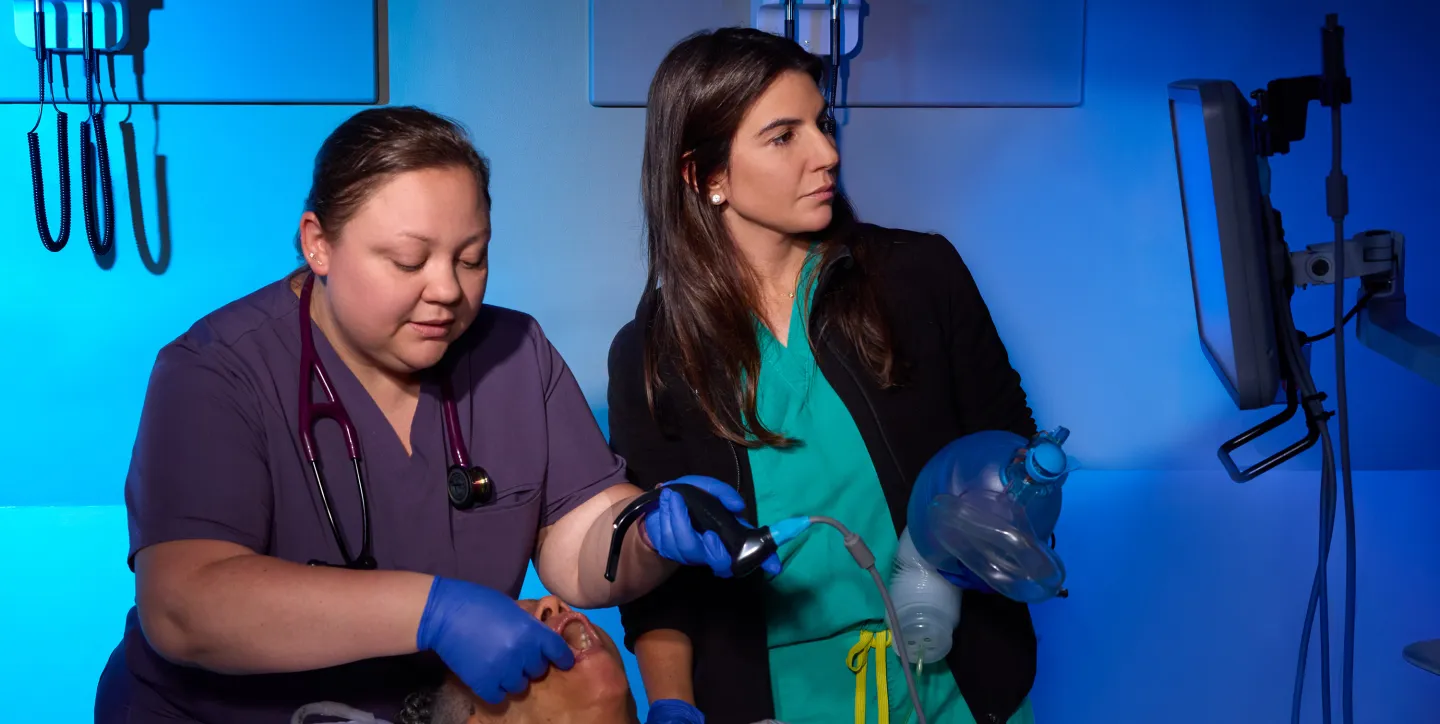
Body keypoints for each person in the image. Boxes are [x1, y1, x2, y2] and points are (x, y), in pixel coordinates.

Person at [93, 105, 768, 724]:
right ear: (318, 244)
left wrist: (650, 533)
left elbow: (578, 540)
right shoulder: (218, 370)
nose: (446, 290)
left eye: (471, 259)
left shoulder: (515, 354)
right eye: (408, 260)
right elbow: (184, 605)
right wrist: (433, 612)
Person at [606, 28, 1043, 724]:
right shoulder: (652, 357)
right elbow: (661, 587)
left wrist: (993, 523)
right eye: (784, 136)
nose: (828, 154)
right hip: (775, 704)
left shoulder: (919, 278)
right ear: (704, 175)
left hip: (951, 682)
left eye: (824, 123)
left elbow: (1010, 449)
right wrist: (672, 702)